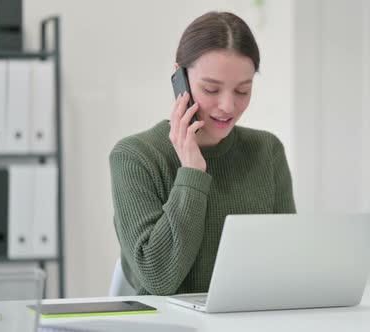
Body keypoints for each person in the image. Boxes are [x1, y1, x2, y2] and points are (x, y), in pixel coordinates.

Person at [109, 11, 296, 296]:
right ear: (179, 77)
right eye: (211, 89)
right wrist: (192, 173)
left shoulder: (267, 151)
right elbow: (158, 279)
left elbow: (286, 263)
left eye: (242, 91)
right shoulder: (135, 156)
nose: (228, 107)